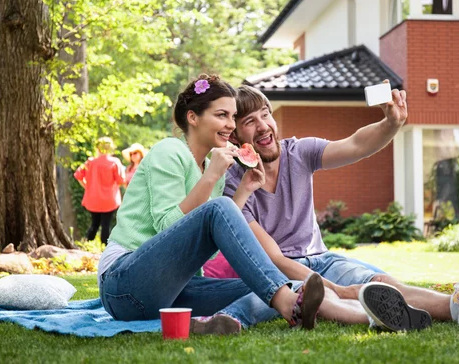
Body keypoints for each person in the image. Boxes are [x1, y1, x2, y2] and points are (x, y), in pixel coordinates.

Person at [206, 83, 459, 332]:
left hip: (323, 259)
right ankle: (379, 317)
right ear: (236, 136)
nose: (263, 126)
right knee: (307, 295)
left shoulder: (300, 152)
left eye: (266, 115)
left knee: (380, 282)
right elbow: (274, 258)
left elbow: (356, 145)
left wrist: (391, 123)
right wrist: (336, 288)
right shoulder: (235, 186)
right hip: (281, 273)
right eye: (250, 122)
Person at [97, 74, 335, 334]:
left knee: (268, 284)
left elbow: (206, 250)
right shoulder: (169, 151)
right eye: (222, 115)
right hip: (123, 284)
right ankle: (289, 305)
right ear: (193, 117)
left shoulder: (213, 169)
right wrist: (211, 178)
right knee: (223, 211)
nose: (231, 125)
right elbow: (166, 226)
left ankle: (221, 322)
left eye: (233, 117)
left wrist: (243, 191)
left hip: (170, 293)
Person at [74, 137, 125, 245]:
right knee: (106, 225)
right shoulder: (114, 162)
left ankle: (85, 244)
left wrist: (87, 186)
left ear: (97, 148)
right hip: (110, 200)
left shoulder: (90, 162)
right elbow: (121, 180)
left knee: (94, 223)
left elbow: (78, 175)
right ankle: (104, 248)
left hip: (93, 198)